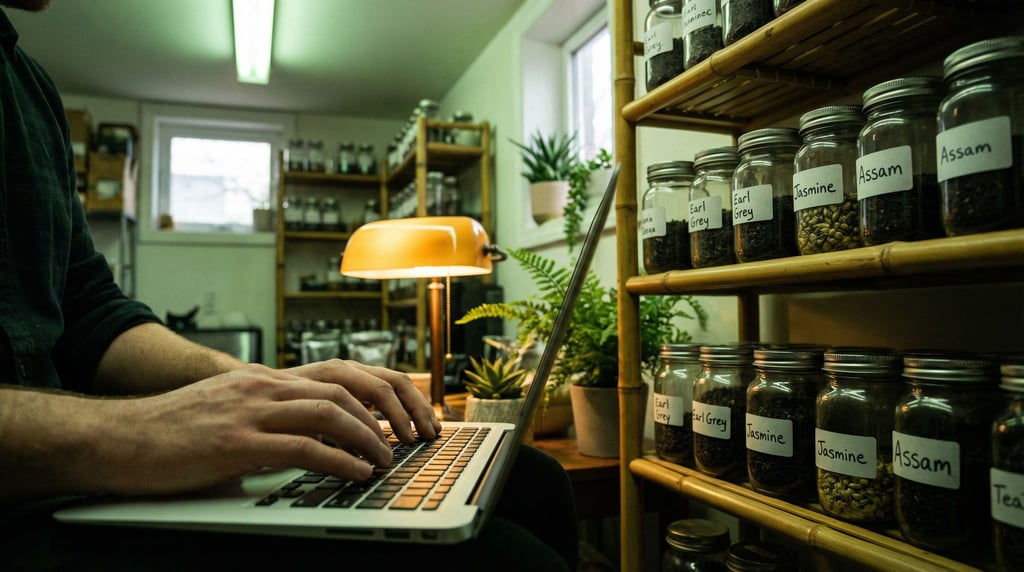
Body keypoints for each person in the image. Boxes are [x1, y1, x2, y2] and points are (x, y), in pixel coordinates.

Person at [0, 2, 578, 570]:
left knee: (533, 480)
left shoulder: (31, 88)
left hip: (76, 467)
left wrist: (261, 386)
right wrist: (138, 433)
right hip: (34, 498)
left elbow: (92, 312)